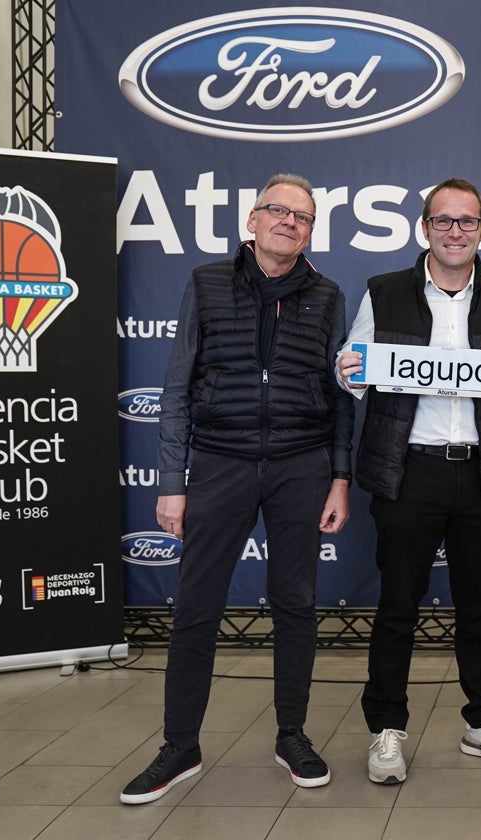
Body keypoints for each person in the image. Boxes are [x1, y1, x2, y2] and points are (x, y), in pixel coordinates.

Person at [121, 174, 354, 804]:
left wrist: (340, 477)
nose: (289, 222)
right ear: (252, 220)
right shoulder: (206, 282)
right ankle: (180, 746)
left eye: (303, 216)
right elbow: (175, 386)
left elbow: (339, 396)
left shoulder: (328, 295)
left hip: (301, 466)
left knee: (296, 606)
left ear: (311, 231)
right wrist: (172, 483)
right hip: (219, 463)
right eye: (277, 210)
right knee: (195, 607)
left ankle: (292, 736)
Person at [336, 178, 481, 785]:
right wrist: (349, 369)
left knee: (480, 609)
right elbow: (352, 372)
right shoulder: (384, 292)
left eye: (467, 222)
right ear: (424, 228)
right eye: (443, 221)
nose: (454, 231)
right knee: (397, 608)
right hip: (408, 473)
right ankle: (386, 730)